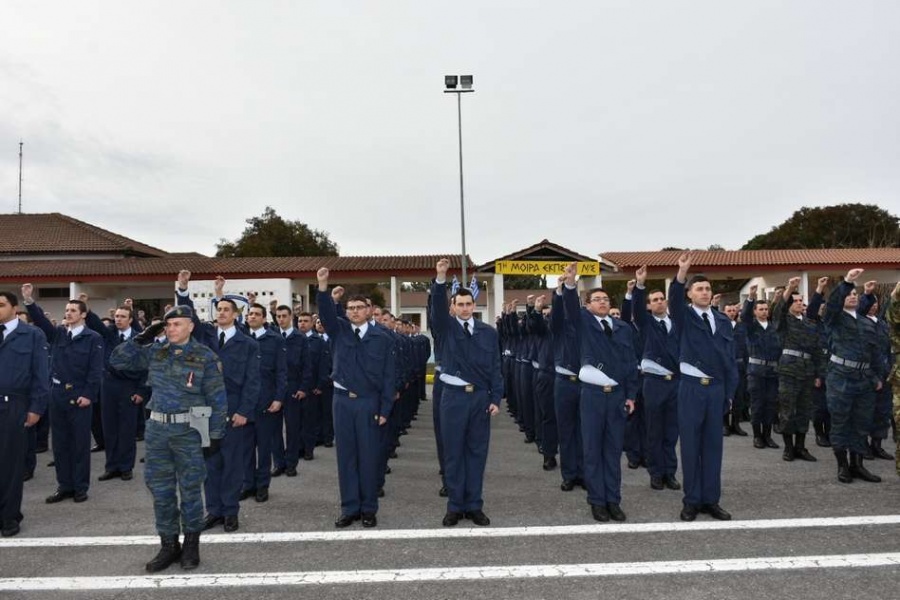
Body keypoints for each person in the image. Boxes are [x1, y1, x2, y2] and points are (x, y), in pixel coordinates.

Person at [111, 305, 227, 571]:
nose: (171, 329)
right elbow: (118, 361)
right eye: (168, 324)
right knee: (161, 491)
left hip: (189, 432)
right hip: (157, 431)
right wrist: (141, 338)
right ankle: (168, 545)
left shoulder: (205, 357)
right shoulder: (155, 352)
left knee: (190, 491)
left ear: (191, 326)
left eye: (177, 324)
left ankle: (191, 546)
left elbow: (218, 399)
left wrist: (216, 435)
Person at [175, 271, 260, 532]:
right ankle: (213, 510)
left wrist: (244, 411)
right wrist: (183, 289)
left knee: (233, 463)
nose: (221, 312)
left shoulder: (247, 344)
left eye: (225, 309)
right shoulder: (206, 337)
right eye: (218, 309)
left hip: (233, 408)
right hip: (205, 410)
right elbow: (188, 315)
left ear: (236, 315)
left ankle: (230, 510)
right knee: (210, 464)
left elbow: (253, 381)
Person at [316, 267, 396, 528]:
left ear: (369, 311)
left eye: (359, 307)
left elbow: (388, 376)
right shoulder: (339, 331)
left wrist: (385, 409)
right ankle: (349, 507)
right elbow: (327, 313)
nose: (354, 312)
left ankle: (369, 508)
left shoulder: (381, 338)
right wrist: (323, 286)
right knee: (346, 457)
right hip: (342, 402)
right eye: (350, 308)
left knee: (369, 457)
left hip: (368, 402)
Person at [560, 263, 638, 522]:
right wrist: (570, 283)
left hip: (616, 396)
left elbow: (629, 364)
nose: (603, 302)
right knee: (592, 449)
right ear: (588, 304)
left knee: (613, 450)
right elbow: (570, 309)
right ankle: (597, 501)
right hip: (592, 395)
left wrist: (630, 395)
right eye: (597, 299)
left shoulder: (622, 328)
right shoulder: (582, 321)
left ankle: (613, 500)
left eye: (606, 299)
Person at [431, 258, 503, 527]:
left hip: (479, 400)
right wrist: (440, 278)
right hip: (453, 398)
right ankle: (454, 506)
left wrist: (496, 397)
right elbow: (437, 310)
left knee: (476, 452)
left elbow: (496, 366)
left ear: (474, 305)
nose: (464, 308)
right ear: (453, 307)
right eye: (459, 304)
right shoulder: (445, 328)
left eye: (468, 304)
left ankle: (474, 505)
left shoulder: (488, 332)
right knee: (453, 452)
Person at [668, 254, 737, 522]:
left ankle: (711, 499)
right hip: (692, 389)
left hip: (716, 389)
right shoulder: (683, 315)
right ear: (689, 294)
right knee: (690, 446)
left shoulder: (721, 320)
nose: (705, 293)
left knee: (712, 447)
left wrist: (730, 394)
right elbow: (673, 298)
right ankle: (691, 500)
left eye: (708, 289)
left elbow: (730, 359)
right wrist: (682, 272)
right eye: (699, 289)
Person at [22, 284, 104, 504]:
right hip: (57, 395)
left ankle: (80, 487)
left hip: (79, 397)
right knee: (60, 444)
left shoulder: (93, 338)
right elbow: (40, 321)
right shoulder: (58, 334)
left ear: (83, 315)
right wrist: (29, 301)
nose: (68, 313)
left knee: (79, 444)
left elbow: (96, 371)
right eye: (66, 310)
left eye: (73, 310)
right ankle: (64, 486)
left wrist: (88, 394)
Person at [823, 269, 883, 484]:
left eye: (855, 294)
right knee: (840, 421)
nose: (852, 296)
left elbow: (874, 353)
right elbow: (833, 304)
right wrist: (848, 282)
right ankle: (842, 466)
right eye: (849, 294)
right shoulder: (835, 318)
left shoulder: (867, 323)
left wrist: (876, 376)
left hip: (864, 378)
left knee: (861, 422)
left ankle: (858, 465)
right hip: (841, 377)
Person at [0, 291, 49, 538]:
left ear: (14, 308)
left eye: (0, 305)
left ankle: (9, 517)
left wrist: (36, 408)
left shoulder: (31, 335)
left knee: (10, 464)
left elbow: (41, 374)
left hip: (14, 405)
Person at [84, 299, 147, 481]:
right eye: (116, 316)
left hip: (129, 388)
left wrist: (141, 392)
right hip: (109, 387)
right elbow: (96, 324)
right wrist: (86, 309)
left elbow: (145, 368)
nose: (118, 320)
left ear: (130, 319)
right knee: (109, 429)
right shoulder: (109, 334)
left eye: (122, 317)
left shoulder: (139, 339)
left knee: (127, 430)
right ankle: (112, 466)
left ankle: (126, 467)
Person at [631, 266, 682, 491]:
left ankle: (670, 472)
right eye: (655, 300)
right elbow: (636, 310)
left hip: (675, 382)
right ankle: (656, 473)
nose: (660, 302)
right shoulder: (646, 323)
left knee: (671, 431)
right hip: (654, 383)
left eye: (662, 298)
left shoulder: (677, 323)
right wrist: (640, 286)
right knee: (654, 430)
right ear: (649, 305)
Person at [773, 277, 825, 462]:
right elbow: (778, 309)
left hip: (808, 370)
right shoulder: (784, 321)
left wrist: (819, 373)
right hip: (789, 370)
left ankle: (801, 447)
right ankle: (788, 448)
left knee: (804, 410)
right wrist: (789, 288)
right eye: (795, 301)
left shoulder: (810, 323)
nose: (799, 303)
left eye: (801, 301)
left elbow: (818, 349)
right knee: (787, 409)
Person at [240, 303, 287, 503]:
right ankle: (248, 484)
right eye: (250, 314)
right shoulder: (241, 339)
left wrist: (278, 398)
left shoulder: (275, 340)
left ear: (264, 318)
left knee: (264, 447)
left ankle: (262, 486)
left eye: (256, 314)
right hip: (244, 404)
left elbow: (282, 372)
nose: (252, 317)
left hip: (266, 402)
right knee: (245, 447)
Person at [273, 304, 312, 478]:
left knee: (292, 428)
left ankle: (291, 463)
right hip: (274, 389)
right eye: (278, 316)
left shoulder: (300, 338)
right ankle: (278, 463)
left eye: (284, 316)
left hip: (293, 387)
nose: (281, 319)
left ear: (290, 318)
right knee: (274, 429)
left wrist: (303, 387)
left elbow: (307, 365)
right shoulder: (272, 336)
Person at [742, 285, 782, 450]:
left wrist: (779, 299)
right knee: (757, 405)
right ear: (755, 311)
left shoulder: (774, 327)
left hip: (773, 372)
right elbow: (744, 315)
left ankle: (768, 436)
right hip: (756, 372)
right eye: (761, 309)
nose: (764, 311)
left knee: (771, 405)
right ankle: (757, 437)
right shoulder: (751, 327)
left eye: (766, 309)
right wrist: (750, 297)